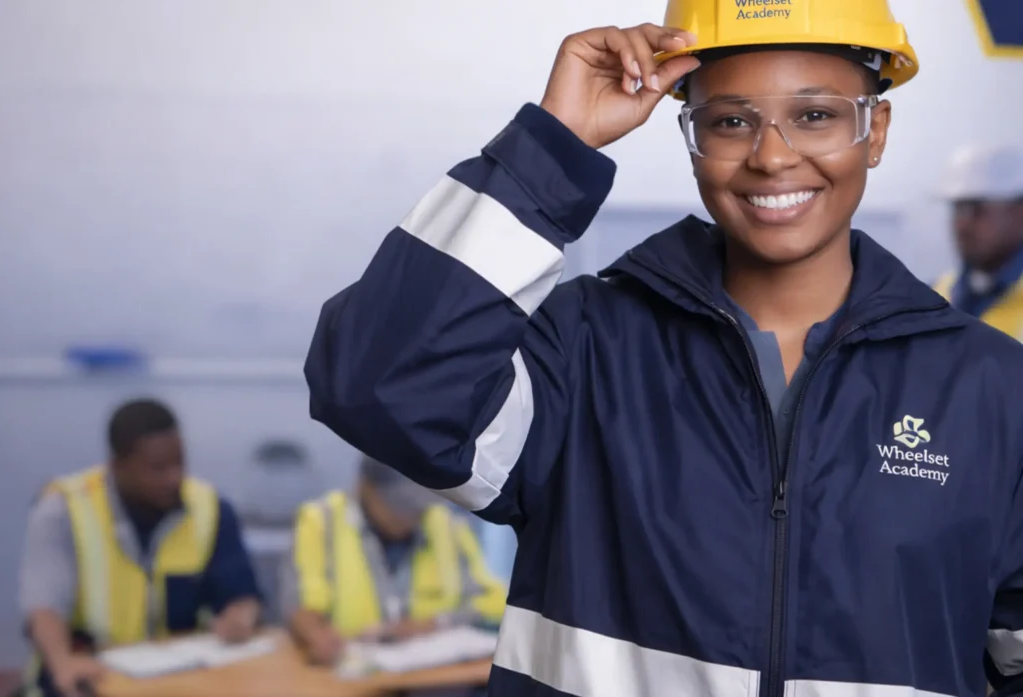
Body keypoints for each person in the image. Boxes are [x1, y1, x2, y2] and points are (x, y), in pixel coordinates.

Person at [303, 1, 1023, 695]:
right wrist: (552, 147)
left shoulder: (993, 388)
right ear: (688, 135)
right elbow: (376, 385)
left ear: (876, 129)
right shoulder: (583, 352)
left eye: (815, 116)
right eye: (732, 120)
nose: (772, 157)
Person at [17, 399, 262, 697]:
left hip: (177, 677)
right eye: (157, 469)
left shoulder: (210, 507)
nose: (173, 478)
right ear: (118, 465)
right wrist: (62, 663)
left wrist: (241, 615)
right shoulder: (63, 509)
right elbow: (44, 608)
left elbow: (241, 594)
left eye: (179, 463)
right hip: (89, 673)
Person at [281, 457, 506, 691]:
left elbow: (493, 600)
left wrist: (434, 623)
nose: (407, 516)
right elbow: (303, 605)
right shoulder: (320, 521)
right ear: (365, 487)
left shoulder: (445, 523)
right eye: (398, 504)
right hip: (351, 680)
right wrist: (316, 634)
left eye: (417, 505)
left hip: (436, 679)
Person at [933, 144, 1023, 337]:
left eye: (976, 209)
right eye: (957, 209)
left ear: (1019, 215)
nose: (962, 225)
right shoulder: (939, 292)